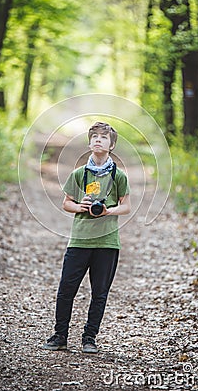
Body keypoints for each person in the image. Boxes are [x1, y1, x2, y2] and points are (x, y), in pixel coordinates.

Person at [43, 121, 131, 354]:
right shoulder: (78, 174)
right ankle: (60, 336)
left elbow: (126, 207)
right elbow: (66, 203)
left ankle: (89, 338)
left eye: (104, 137)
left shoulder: (119, 176)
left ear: (112, 145)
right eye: (94, 137)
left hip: (107, 242)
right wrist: (80, 206)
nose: (98, 140)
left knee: (99, 293)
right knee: (66, 290)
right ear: (89, 143)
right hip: (79, 240)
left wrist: (107, 210)